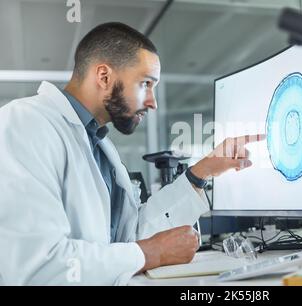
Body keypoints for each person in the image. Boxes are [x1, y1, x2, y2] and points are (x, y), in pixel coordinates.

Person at [0, 22, 264, 285]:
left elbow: (128, 238)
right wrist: (151, 253)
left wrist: (203, 171)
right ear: (104, 76)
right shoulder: (25, 123)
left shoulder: (98, 142)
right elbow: (37, 266)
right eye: (145, 83)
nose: (152, 101)